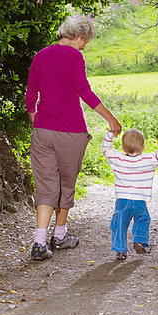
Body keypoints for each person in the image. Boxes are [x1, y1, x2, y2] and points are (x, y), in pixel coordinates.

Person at [25, 14, 122, 261]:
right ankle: (59, 235)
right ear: (78, 36)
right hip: (71, 132)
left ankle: (38, 242)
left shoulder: (40, 55)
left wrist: (35, 116)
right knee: (66, 183)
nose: (84, 47)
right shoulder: (74, 56)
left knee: (46, 185)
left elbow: (30, 94)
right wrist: (110, 118)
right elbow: (84, 91)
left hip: (43, 132)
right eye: (84, 42)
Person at [102, 128, 158, 260]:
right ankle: (139, 241)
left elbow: (106, 149)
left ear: (123, 148)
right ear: (143, 147)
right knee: (143, 219)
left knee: (119, 224)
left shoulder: (117, 159)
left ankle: (120, 250)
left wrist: (109, 134)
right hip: (139, 202)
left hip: (122, 202)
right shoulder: (149, 160)